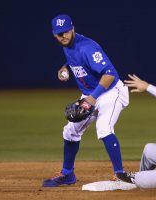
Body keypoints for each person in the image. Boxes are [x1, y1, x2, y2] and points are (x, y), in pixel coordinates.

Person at [42, 14, 129, 187]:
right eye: (60, 34)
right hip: (91, 94)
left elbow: (109, 74)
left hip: (111, 92)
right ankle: (67, 174)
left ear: (72, 28)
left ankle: (120, 175)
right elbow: (74, 59)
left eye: (66, 31)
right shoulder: (68, 45)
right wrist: (65, 67)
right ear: (54, 35)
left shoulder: (88, 47)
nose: (64, 36)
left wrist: (91, 98)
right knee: (70, 131)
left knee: (104, 128)